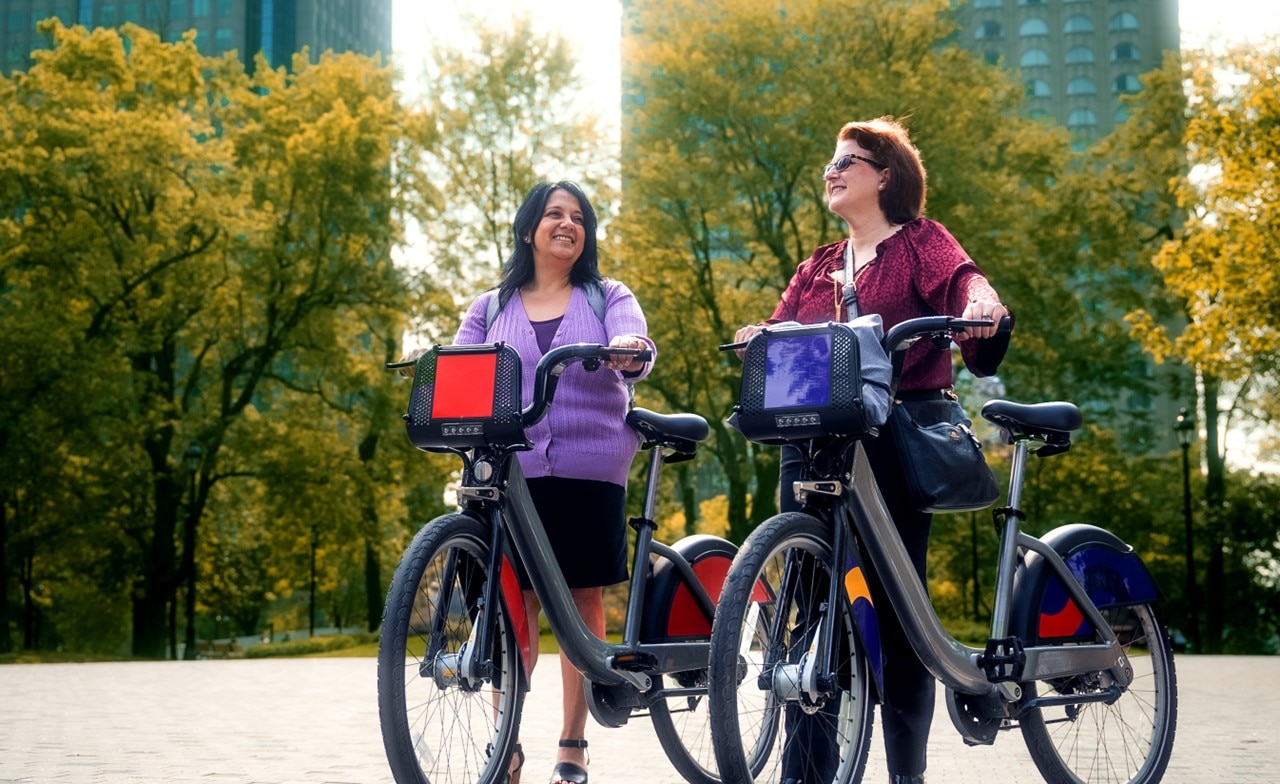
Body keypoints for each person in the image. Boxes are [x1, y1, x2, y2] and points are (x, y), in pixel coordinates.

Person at [732, 117, 1009, 784]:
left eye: (849, 160)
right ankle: (807, 773)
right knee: (808, 606)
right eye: (831, 161)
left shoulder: (919, 243)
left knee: (897, 604)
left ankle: (904, 774)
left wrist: (982, 303)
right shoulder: (818, 266)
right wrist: (759, 336)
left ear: (885, 174)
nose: (833, 170)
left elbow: (966, 284)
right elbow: (786, 333)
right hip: (813, 443)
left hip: (894, 436)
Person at [447, 180, 654, 784]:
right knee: (514, 601)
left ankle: (572, 740)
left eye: (579, 217)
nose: (568, 224)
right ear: (529, 228)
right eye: (554, 214)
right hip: (512, 470)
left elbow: (638, 344)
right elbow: (462, 371)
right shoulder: (489, 308)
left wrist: (627, 350)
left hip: (591, 467)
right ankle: (505, 741)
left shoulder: (607, 294)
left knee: (581, 597)